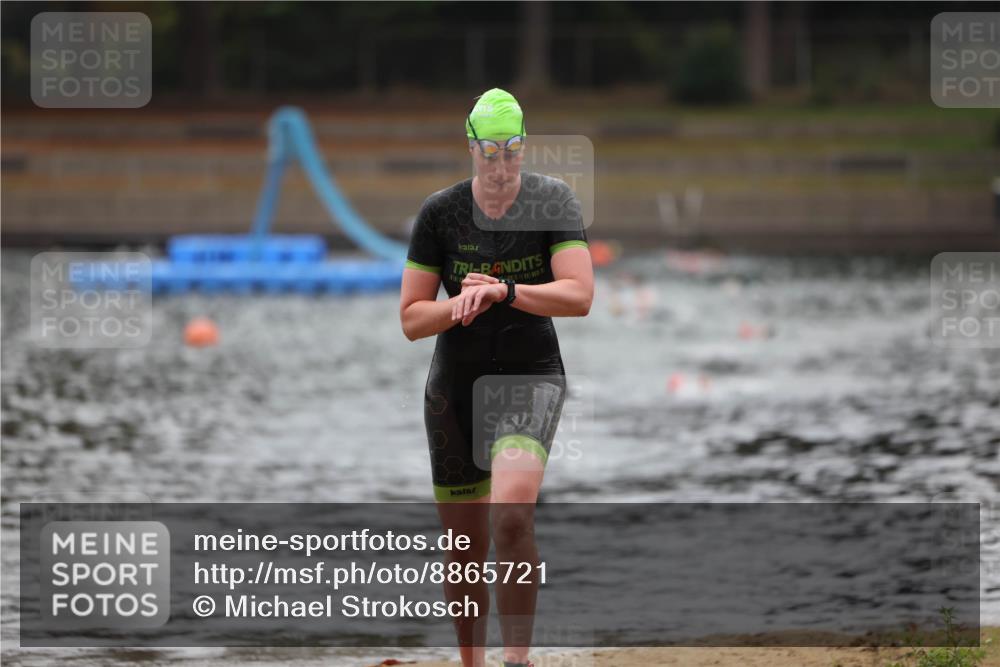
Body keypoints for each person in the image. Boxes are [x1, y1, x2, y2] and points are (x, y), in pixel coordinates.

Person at [399, 88, 594, 667]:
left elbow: (580, 295)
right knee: (463, 547)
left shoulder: (552, 201)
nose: (502, 164)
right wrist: (460, 304)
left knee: (510, 514)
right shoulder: (441, 212)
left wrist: (506, 291)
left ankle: (517, 659)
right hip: (453, 386)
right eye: (490, 151)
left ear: (524, 148)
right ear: (471, 147)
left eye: (512, 151)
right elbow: (412, 319)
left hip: (528, 378)